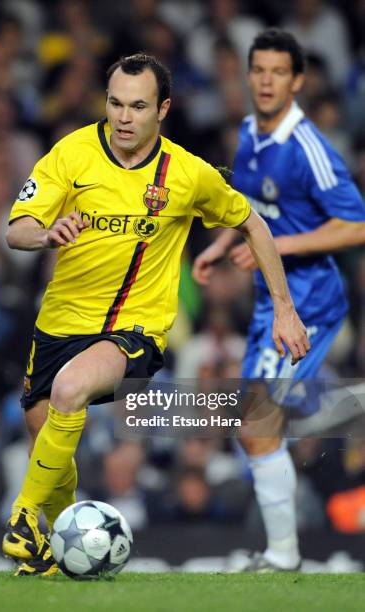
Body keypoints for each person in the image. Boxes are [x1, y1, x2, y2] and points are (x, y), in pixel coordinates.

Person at [3, 53, 309, 576]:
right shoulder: (71, 153)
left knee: (70, 391)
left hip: (134, 329)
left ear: (162, 109)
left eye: (138, 106)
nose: (123, 116)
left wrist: (284, 308)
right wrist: (46, 233)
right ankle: (56, 558)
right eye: (115, 103)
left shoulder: (186, 174)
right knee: (48, 445)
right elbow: (17, 227)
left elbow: (253, 223)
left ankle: (23, 518)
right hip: (58, 324)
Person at [193, 29, 365, 572]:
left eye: (278, 72)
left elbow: (356, 224)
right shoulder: (248, 132)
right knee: (259, 425)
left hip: (308, 297)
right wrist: (223, 242)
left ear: (298, 81)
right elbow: (247, 203)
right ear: (248, 76)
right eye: (258, 70)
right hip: (275, 298)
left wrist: (279, 244)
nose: (267, 81)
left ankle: (283, 556)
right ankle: (284, 553)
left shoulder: (308, 147)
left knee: (256, 422)